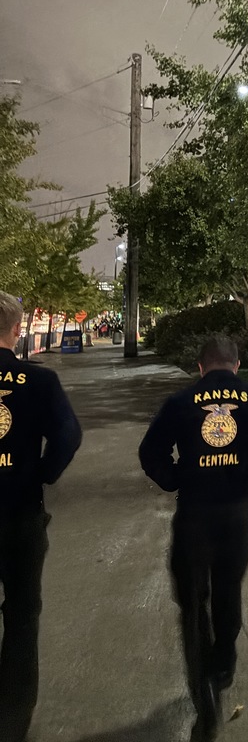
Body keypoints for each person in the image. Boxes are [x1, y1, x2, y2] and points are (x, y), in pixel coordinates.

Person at [138, 334, 248, 742]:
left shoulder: (180, 402)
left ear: (200, 366)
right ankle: (224, 662)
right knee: (228, 589)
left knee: (192, 603)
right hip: (237, 512)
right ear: (236, 365)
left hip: (195, 512)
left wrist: (176, 479)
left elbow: (150, 453)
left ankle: (204, 702)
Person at [0, 291, 82, 742]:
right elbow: (68, 436)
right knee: (22, 614)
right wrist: (40, 476)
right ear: (17, 331)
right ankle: (14, 713)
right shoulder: (39, 382)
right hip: (19, 512)